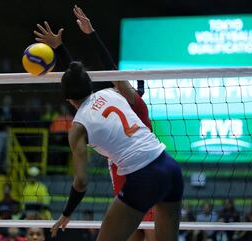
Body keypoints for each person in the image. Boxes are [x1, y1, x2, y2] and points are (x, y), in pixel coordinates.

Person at [34, 5, 156, 240]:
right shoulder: (123, 99)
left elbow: (87, 86)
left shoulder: (118, 99)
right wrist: (83, 38)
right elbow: (85, 85)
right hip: (131, 173)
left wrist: (66, 47)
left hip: (134, 171)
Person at [50, 61, 183, 241]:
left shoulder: (78, 128)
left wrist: (66, 213)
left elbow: (81, 181)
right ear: (89, 84)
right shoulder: (112, 92)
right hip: (170, 167)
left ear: (67, 99)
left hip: (144, 176)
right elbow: (96, 77)